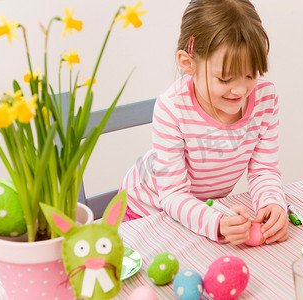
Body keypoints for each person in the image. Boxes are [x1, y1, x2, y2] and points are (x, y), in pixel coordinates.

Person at [121, 0, 288, 245]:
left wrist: (272, 203)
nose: (240, 89)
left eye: (251, 75)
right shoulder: (172, 107)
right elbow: (173, 194)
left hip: (197, 210)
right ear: (188, 63)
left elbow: (264, 169)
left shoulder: (265, 98)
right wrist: (217, 222)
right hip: (145, 210)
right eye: (225, 78)